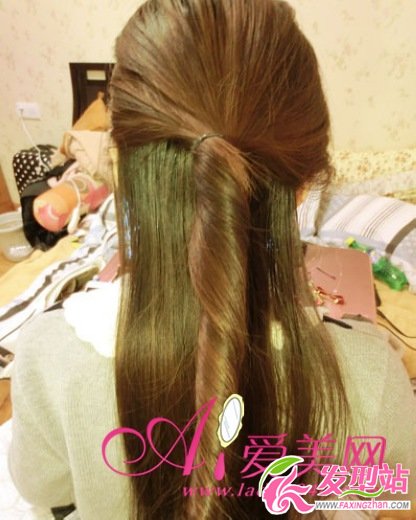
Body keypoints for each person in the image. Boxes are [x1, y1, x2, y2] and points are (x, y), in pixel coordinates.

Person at [8, 1, 416, 519]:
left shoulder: (47, 356)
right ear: (303, 187)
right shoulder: (371, 374)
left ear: (122, 167)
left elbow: (44, 491)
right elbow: (383, 497)